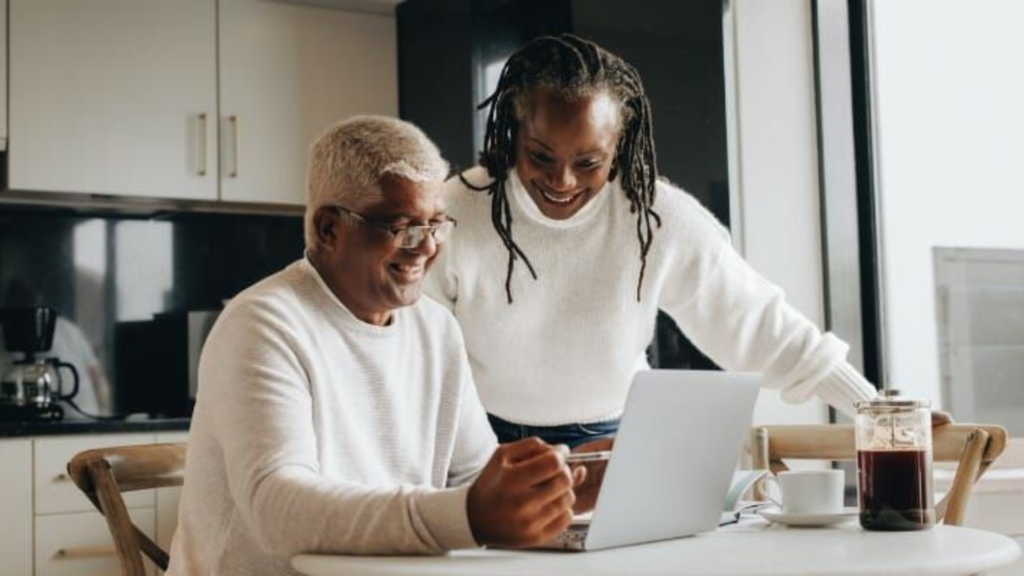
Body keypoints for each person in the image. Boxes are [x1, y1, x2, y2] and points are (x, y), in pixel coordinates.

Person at [423, 33, 883, 450]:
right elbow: (414, 350)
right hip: (482, 438)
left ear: (619, 147)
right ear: (513, 132)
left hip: (612, 439)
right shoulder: (455, 211)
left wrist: (877, 412)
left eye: (588, 162)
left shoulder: (657, 218)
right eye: (540, 155)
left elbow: (758, 323)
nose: (561, 180)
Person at [167, 116, 582, 576]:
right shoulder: (263, 325)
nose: (425, 248)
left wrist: (564, 484)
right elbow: (278, 509)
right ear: (329, 229)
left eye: (437, 225)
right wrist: (468, 515)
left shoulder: (436, 329)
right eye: (403, 226)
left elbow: (476, 478)